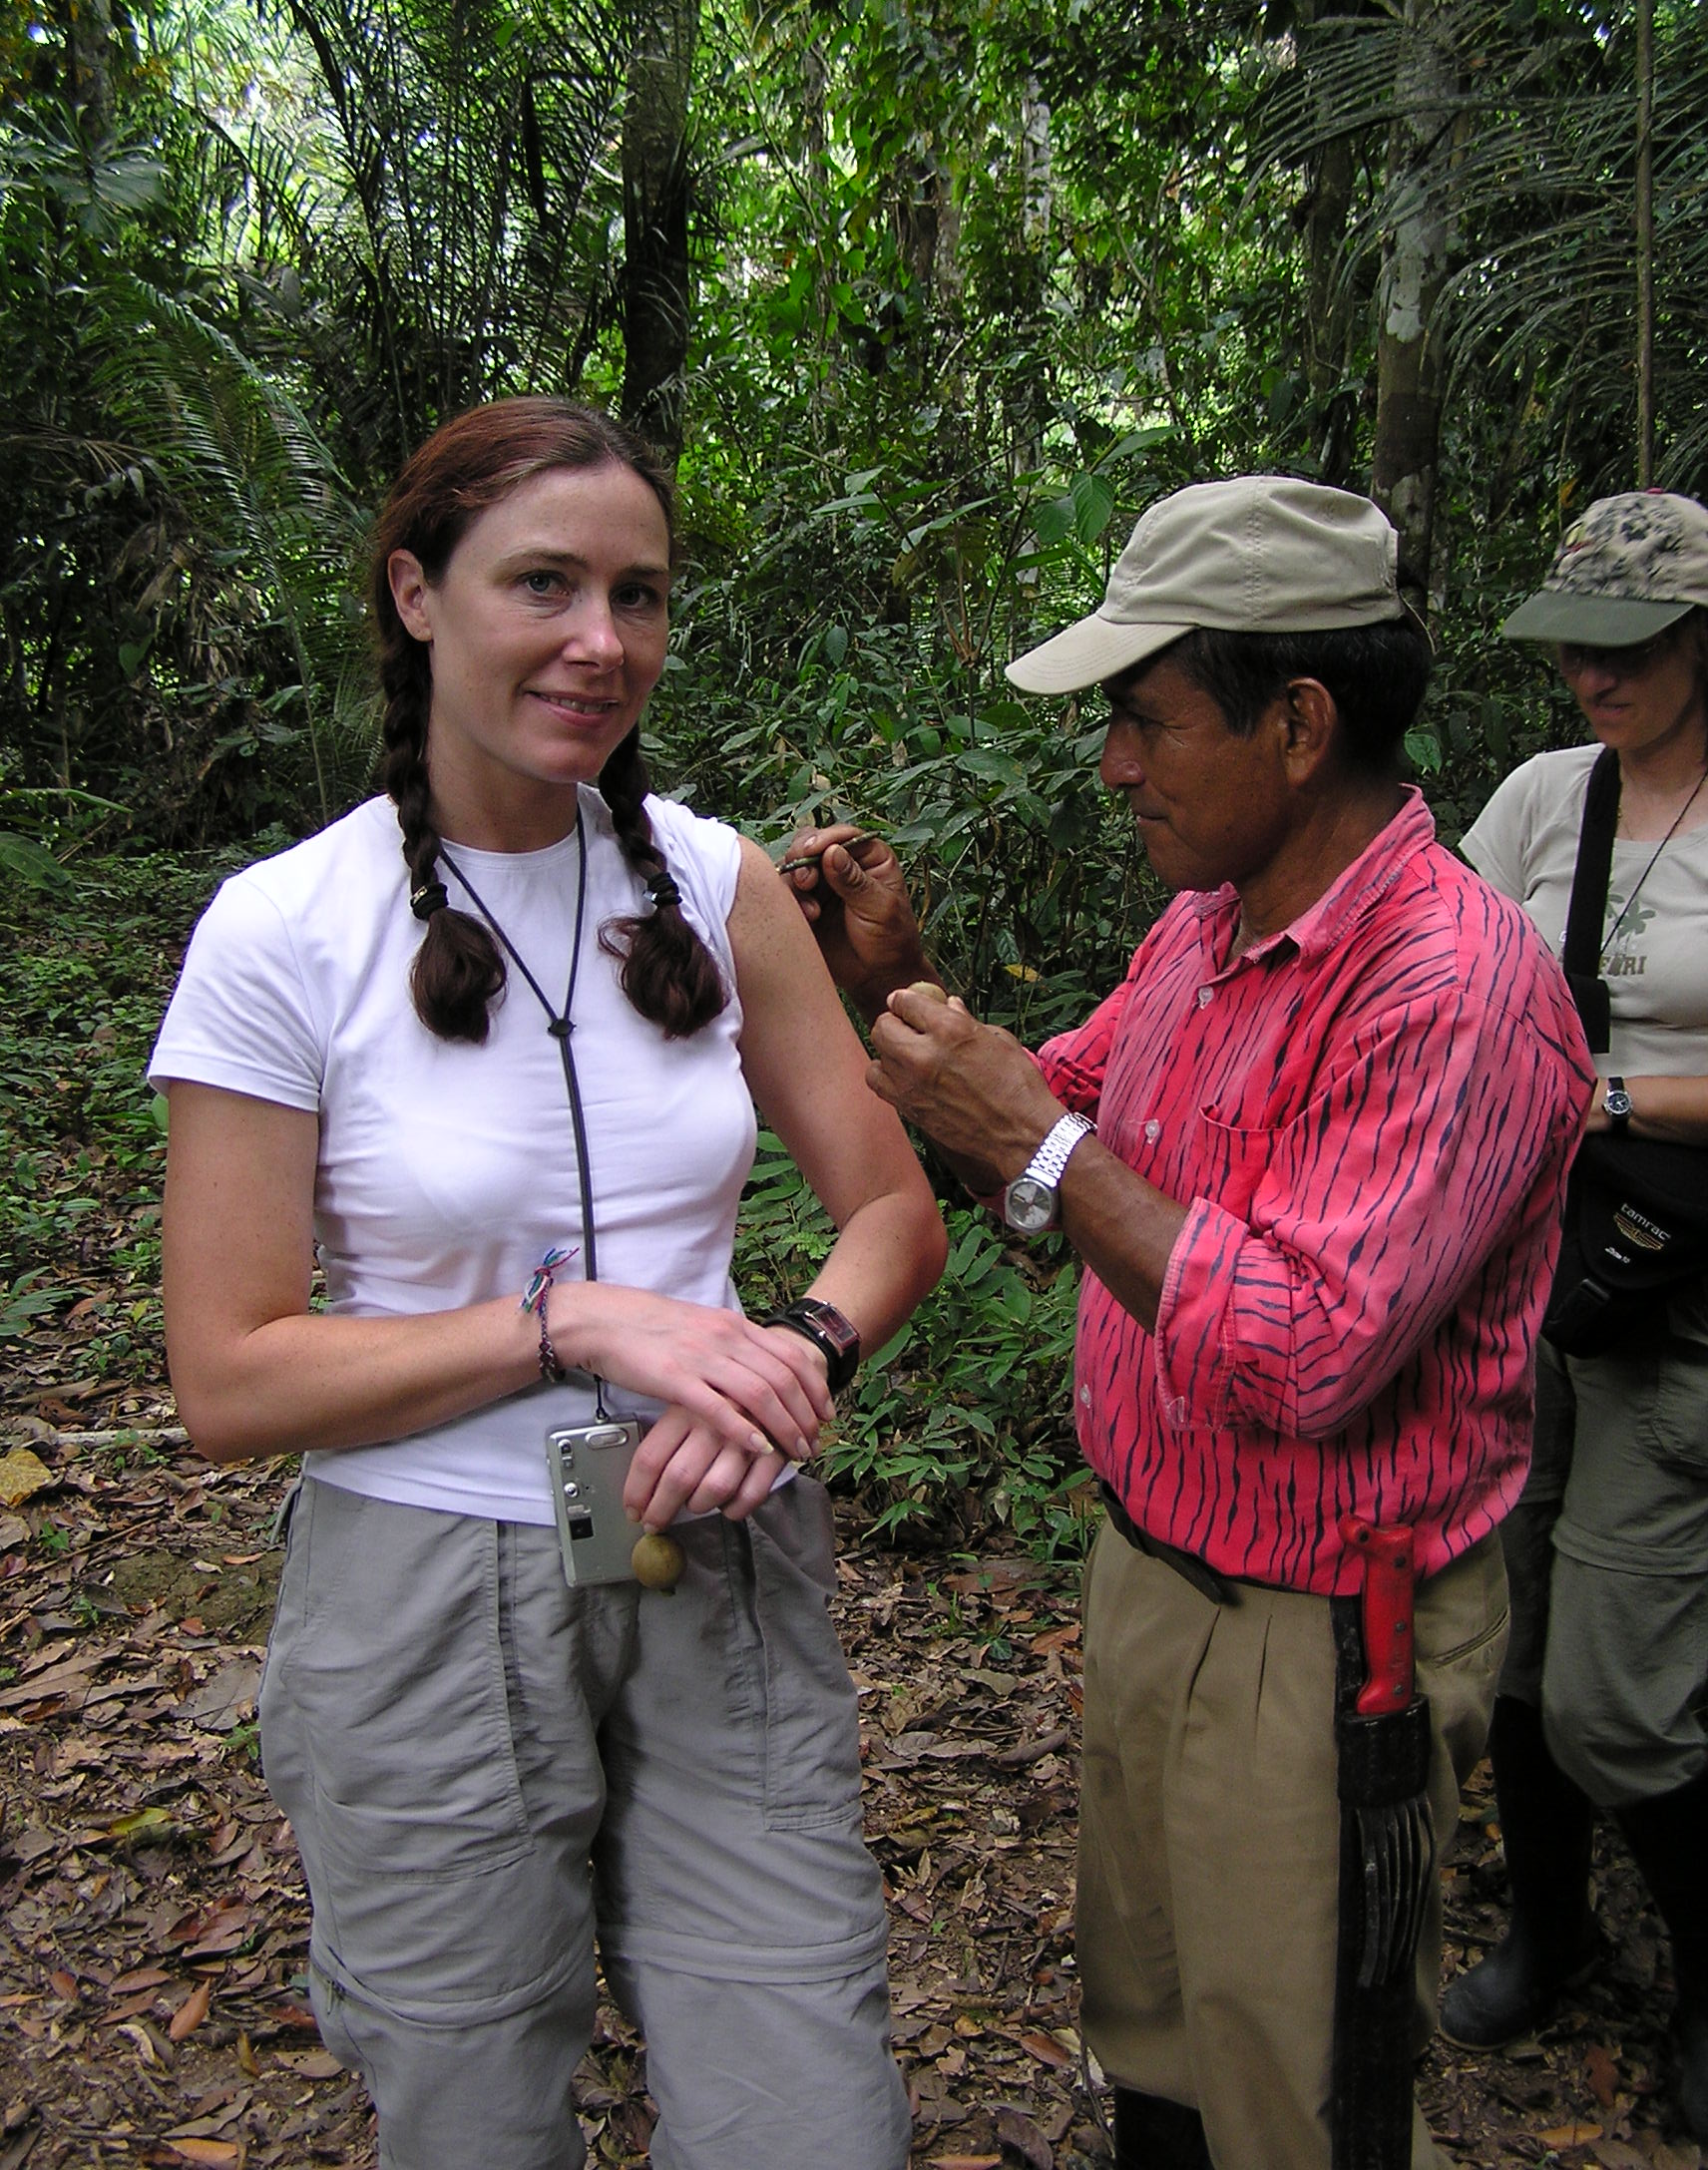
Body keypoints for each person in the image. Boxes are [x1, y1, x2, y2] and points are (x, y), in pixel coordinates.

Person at [150, 397, 946, 2170]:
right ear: (415, 595)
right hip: (429, 1588)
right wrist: (563, 1320)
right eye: (544, 585)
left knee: (809, 2109)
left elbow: (893, 1211)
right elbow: (228, 1379)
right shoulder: (287, 930)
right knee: (473, 2108)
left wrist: (802, 1350)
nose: (602, 641)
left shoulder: (716, 884)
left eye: (636, 594)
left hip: (721, 1555)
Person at [783, 476, 1592, 2170]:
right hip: (1160, 1578)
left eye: (1147, 721)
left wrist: (1037, 1142)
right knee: (1154, 2046)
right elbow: (1065, 1135)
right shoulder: (1209, 927)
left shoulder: (1455, 988)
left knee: (1298, 2097)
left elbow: (1306, 1349)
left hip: (1325, 1645)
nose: (1114, 767)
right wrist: (894, 989)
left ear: (1297, 724)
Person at [1443, 492, 1708, 2140]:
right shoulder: (1549, 797)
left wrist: (1607, 1096)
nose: (1592, 680)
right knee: (1515, 1637)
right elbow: (1446, 961)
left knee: (1621, 1689)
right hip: (1538, 1271)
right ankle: (1552, 1931)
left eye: (1629, 651)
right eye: (1573, 653)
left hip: (1679, 1286)